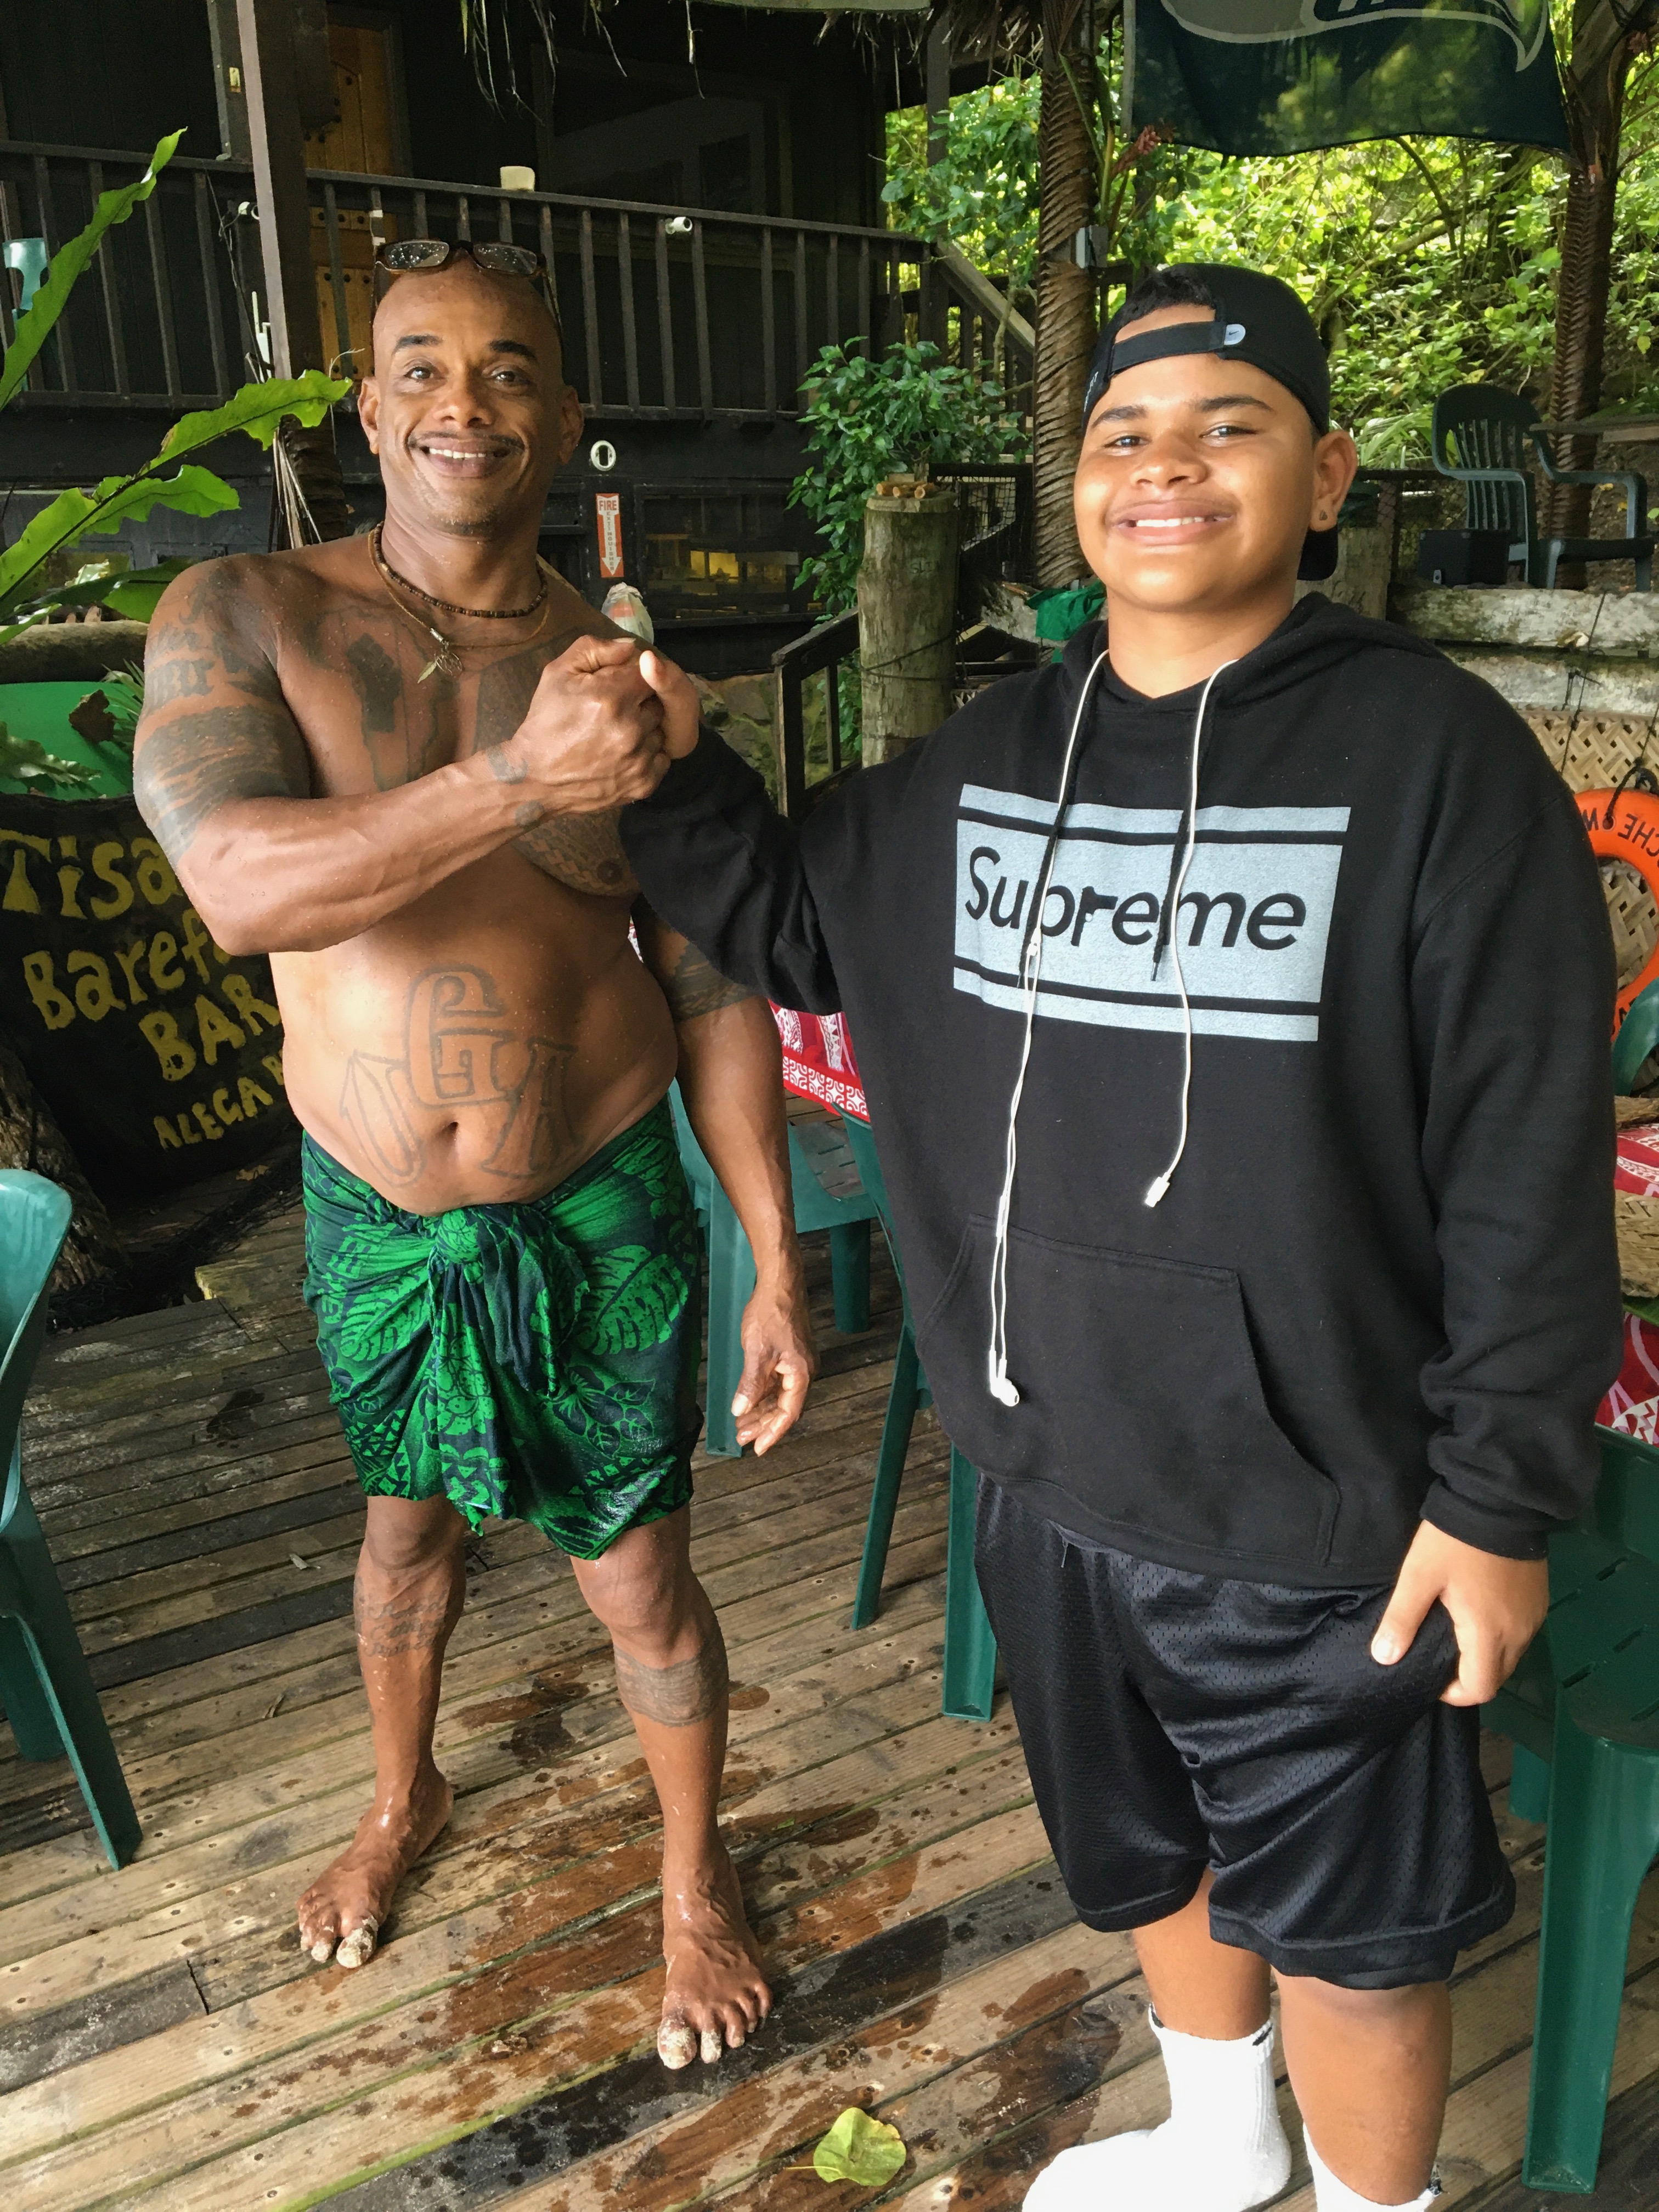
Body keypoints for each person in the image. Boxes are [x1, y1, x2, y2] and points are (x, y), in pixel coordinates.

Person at [613, 264, 1622, 2206]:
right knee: (1149, 1843)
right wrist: (670, 766)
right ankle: (1224, 2143)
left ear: (1325, 476)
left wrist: (1498, 1502)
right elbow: (800, 928)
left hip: (1320, 1509)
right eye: (1119, 436)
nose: (1165, 469)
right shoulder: (996, 752)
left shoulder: (1438, 764)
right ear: (1075, 491)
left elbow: (1526, 1151)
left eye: (1225, 428)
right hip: (1048, 1468)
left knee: (1349, 1928)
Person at [132, 240, 816, 2073]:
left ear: (564, 418)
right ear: (368, 406)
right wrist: (519, 781)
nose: (465, 403)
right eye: (422, 368)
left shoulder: (637, 688)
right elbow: (234, 884)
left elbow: (711, 979)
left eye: (510, 371)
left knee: (641, 1577)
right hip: (374, 1203)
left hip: (601, 1185)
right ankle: (398, 1798)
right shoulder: (241, 613)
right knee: (404, 1532)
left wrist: (774, 1245)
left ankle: (692, 1885)